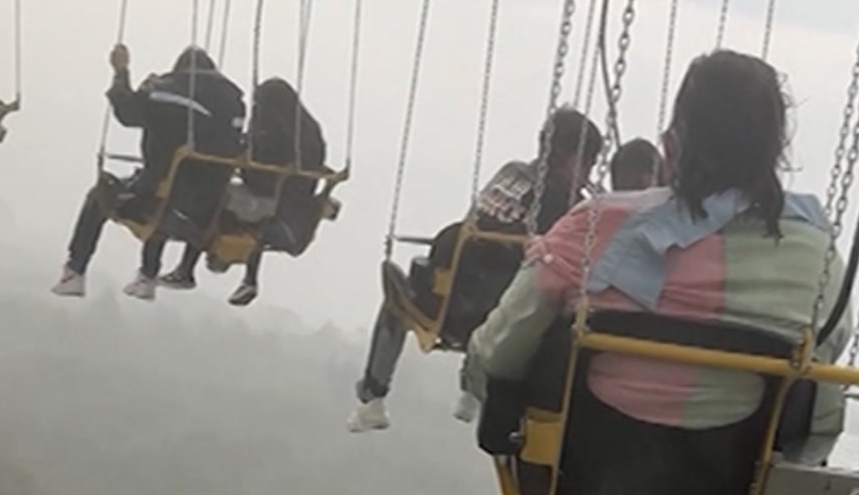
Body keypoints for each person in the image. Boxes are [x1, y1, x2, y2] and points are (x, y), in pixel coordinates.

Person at [461, 49, 851, 495]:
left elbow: (499, 349)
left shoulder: (597, 225)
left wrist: (486, 389)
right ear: (773, 153)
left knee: (526, 404)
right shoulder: (814, 255)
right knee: (750, 446)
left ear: (671, 145)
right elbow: (825, 389)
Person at [346, 107, 604, 434]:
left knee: (397, 303)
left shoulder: (510, 172)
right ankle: (472, 389)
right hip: (496, 314)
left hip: (447, 298)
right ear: (571, 159)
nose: (588, 174)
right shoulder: (566, 206)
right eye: (588, 164)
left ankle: (373, 395)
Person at [51, 44, 246, 300]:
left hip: (160, 201)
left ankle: (74, 273)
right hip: (207, 209)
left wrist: (123, 72)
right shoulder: (235, 104)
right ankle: (147, 275)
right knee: (168, 184)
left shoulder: (169, 91)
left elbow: (127, 112)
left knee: (101, 195)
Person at [156, 77, 328, 307]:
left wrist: (241, 148)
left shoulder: (275, 130)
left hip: (267, 195)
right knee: (229, 203)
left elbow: (258, 155)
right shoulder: (307, 130)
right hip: (290, 197)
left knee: (213, 198)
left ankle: (186, 268)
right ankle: (242, 277)